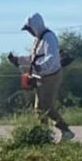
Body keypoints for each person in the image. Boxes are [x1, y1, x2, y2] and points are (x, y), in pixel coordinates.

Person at [7, 13, 75, 142]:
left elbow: (52, 58)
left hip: (51, 75)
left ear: (36, 26)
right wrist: (18, 60)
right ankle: (43, 135)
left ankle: (66, 131)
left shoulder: (49, 38)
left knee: (46, 107)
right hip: (41, 75)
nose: (29, 32)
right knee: (39, 108)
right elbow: (33, 59)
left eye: (29, 29)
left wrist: (40, 67)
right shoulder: (38, 40)